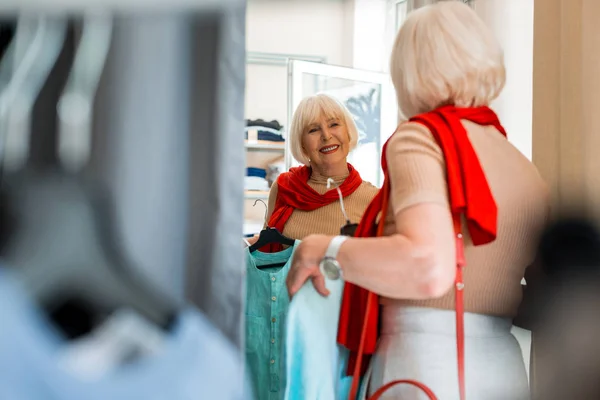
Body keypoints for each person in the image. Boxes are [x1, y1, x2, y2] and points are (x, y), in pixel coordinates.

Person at [286, 2, 549, 399]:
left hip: (423, 366)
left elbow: (427, 265)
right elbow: (546, 302)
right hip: (505, 369)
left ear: (410, 70)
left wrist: (323, 247)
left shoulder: (420, 138)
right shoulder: (522, 167)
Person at [249, 93, 378, 249]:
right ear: (302, 144)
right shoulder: (284, 188)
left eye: (334, 125)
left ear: (348, 133)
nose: (326, 135)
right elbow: (265, 249)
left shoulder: (374, 199)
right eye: (313, 130)